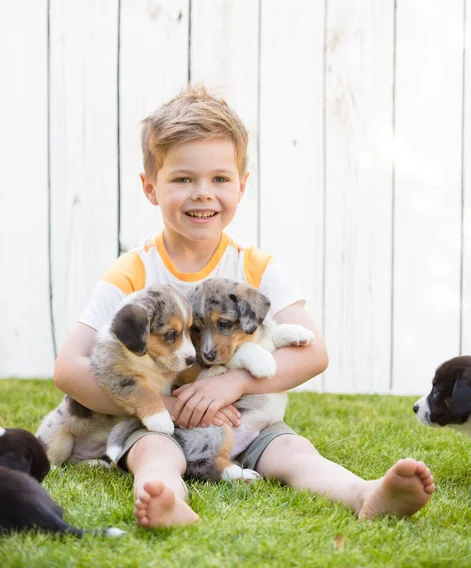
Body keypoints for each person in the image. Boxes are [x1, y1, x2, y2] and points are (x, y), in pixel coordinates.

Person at [54, 85, 435, 527]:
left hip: (246, 421)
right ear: (149, 187)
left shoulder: (255, 267)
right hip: (159, 425)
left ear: (242, 184)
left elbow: (314, 353)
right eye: (182, 179)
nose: (203, 193)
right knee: (154, 456)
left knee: (293, 451)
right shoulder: (133, 272)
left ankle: (364, 492)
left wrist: (231, 385)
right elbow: (69, 368)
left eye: (220, 178)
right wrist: (162, 405)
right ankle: (167, 500)